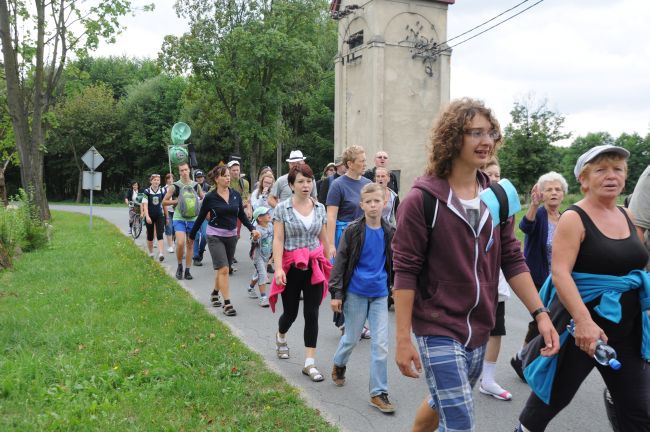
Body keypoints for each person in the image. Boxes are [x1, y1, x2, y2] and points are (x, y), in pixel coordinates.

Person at [391, 98, 559, 431]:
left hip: (479, 325)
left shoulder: (498, 196)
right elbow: (405, 271)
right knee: (461, 421)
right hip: (437, 325)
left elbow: (512, 257)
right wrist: (402, 339)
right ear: (453, 138)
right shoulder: (421, 200)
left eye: (491, 132)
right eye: (475, 133)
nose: (486, 141)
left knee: (444, 402)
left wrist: (541, 314)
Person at [516, 145, 650, 432]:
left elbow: (636, 268)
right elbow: (560, 272)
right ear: (584, 180)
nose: (611, 176)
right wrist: (584, 322)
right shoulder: (574, 217)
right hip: (580, 330)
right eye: (601, 170)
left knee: (639, 410)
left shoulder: (628, 215)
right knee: (549, 401)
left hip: (627, 330)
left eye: (618, 169)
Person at [329, 183, 396, 413]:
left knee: (381, 344)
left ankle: (378, 393)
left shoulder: (390, 232)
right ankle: (339, 364)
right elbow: (340, 262)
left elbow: (394, 263)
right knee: (351, 338)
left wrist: (396, 286)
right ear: (362, 205)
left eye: (377, 201)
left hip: (379, 295)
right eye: (368, 202)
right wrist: (336, 294)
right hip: (355, 292)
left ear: (384, 202)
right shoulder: (353, 230)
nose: (373, 205)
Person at [268, 163, 331, 382]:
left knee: (312, 313)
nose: (306, 185)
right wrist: (277, 269)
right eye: (301, 182)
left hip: (313, 266)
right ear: (292, 185)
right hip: (291, 267)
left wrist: (329, 263)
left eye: (309, 181)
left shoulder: (320, 208)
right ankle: (281, 335)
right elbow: (278, 239)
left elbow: (323, 239)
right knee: (291, 314)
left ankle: (309, 363)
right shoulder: (282, 209)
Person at [510, 171, 568, 381]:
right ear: (541, 193)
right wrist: (533, 205)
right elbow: (526, 226)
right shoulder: (540, 214)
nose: (554, 193)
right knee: (541, 319)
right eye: (549, 189)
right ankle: (523, 358)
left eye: (557, 189)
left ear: (563, 194)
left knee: (556, 321)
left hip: (559, 280)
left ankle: (532, 359)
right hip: (537, 278)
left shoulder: (566, 218)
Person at [189, 165, 260, 316]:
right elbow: (201, 217)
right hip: (214, 236)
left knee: (224, 268)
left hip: (231, 236)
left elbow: (241, 215)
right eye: (224, 176)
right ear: (216, 179)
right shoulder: (210, 197)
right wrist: (192, 235)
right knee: (224, 269)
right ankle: (227, 303)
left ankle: (215, 292)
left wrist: (252, 228)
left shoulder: (235, 195)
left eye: (229, 175)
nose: (228, 178)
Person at [326, 145, 372, 333]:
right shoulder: (338, 185)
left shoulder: (368, 184)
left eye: (364, 160)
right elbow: (330, 216)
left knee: (362, 277)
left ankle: (360, 321)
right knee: (345, 277)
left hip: (365, 234)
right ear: (350, 164)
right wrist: (330, 245)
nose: (365, 164)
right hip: (343, 235)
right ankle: (343, 319)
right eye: (361, 161)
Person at [478, 158, 512, 401]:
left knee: (495, 328)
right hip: (469, 277)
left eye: (497, 174)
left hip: (495, 276)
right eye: (489, 174)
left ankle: (487, 379)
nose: (494, 179)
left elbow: (510, 247)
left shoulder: (503, 203)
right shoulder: (469, 200)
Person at [163, 162, 205, 281]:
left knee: (190, 244)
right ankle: (179, 266)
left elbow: (203, 198)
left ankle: (187, 270)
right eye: (181, 170)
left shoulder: (196, 185)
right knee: (180, 243)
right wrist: (177, 202)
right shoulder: (174, 186)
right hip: (179, 218)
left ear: (189, 170)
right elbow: (164, 202)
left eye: (186, 170)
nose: (184, 172)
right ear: (179, 172)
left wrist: (201, 204)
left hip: (192, 218)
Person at [248, 206, 273, 307]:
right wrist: (255, 237)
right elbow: (253, 241)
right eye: (266, 214)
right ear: (260, 218)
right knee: (262, 274)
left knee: (258, 274)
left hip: (266, 256)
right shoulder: (256, 230)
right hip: (258, 256)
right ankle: (263, 298)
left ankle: (250, 288)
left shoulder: (271, 226)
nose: (269, 215)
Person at [141, 174, 166, 262]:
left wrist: (166, 217)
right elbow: (145, 206)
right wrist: (147, 216)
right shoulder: (147, 191)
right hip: (150, 215)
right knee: (150, 235)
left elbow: (164, 204)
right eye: (154, 180)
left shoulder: (162, 191)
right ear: (151, 181)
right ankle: (151, 252)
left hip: (159, 215)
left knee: (160, 234)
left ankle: (161, 253)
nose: (156, 182)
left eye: (158, 180)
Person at [192, 170, 210, 267]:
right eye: (198, 177)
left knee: (205, 235)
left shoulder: (208, 187)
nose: (200, 179)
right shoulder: (191, 187)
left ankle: (200, 251)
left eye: (201, 177)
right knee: (195, 236)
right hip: (194, 215)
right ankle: (195, 257)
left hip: (204, 216)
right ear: (195, 178)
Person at [163, 173, 175, 253]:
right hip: (167, 210)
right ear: (166, 180)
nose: (170, 180)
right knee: (169, 227)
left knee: (174, 229)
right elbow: (163, 201)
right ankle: (170, 246)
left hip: (176, 210)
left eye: (171, 178)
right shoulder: (163, 189)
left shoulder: (176, 187)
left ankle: (173, 241)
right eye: (168, 178)